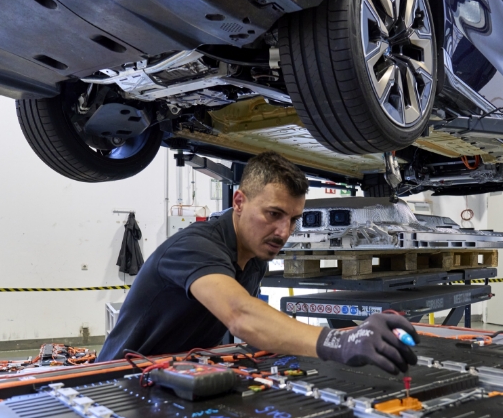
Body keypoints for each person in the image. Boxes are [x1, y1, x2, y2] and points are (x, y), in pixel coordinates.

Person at [97, 151, 419, 374]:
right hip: (116, 383)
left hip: (176, 376)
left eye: (293, 219)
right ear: (239, 201)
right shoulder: (195, 246)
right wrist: (339, 340)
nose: (284, 232)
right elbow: (240, 315)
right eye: (273, 214)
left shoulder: (254, 259)